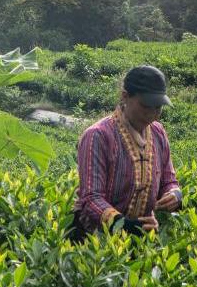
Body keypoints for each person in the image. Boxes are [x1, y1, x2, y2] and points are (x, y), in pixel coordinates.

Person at [72, 65, 182, 239]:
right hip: (95, 240)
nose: (153, 114)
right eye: (146, 106)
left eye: (158, 107)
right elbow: (91, 198)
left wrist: (174, 195)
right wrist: (124, 224)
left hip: (142, 237)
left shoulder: (158, 133)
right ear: (125, 96)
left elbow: (169, 181)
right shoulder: (98, 136)